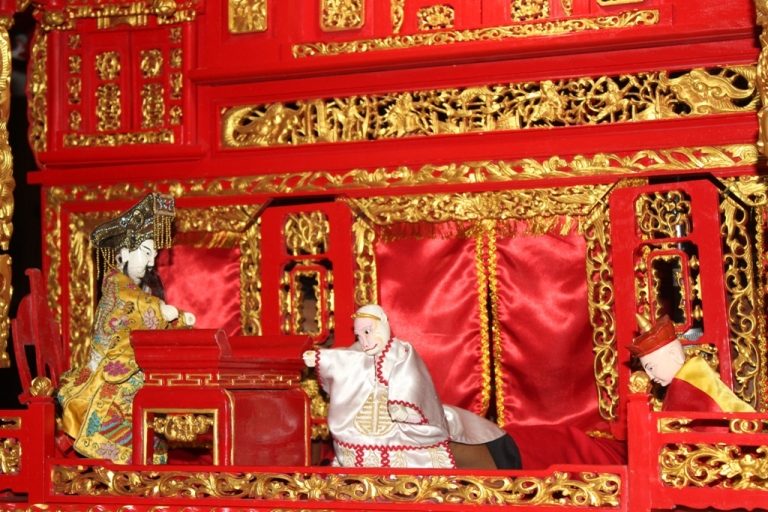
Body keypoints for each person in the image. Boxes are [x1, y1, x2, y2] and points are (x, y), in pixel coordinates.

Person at [57, 193, 196, 464]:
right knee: (127, 403)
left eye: (154, 254)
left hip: (127, 366)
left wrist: (176, 320)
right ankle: (127, 448)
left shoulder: (138, 288)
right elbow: (136, 304)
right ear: (123, 253)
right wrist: (165, 311)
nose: (151, 262)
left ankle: (147, 447)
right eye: (145, 253)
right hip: (106, 375)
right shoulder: (116, 284)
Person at [303, 304, 521, 469]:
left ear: (383, 323)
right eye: (360, 335)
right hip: (367, 416)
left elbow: (412, 380)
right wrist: (321, 358)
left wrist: (403, 407)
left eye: (368, 332)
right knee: (354, 440)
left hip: (401, 414)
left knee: (421, 442)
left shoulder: (402, 352)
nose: (365, 341)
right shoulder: (360, 351)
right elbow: (344, 358)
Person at [629, 314, 754, 413]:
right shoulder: (678, 384)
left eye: (651, 368)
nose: (650, 376)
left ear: (674, 354)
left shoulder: (689, 380)